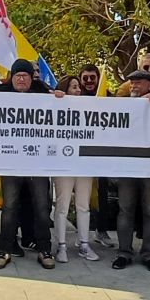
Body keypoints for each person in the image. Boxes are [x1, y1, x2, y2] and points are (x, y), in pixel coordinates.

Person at [0, 59, 61, 270]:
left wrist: (61, 99)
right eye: (17, 75)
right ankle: (4, 250)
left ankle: (44, 250)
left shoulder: (43, 92)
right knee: (10, 207)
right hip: (10, 162)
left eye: (25, 75)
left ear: (32, 79)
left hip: (38, 163)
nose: (21, 79)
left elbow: (63, 105)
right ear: (11, 78)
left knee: (41, 207)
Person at [111, 70, 150, 272]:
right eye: (131, 83)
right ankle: (124, 252)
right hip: (128, 167)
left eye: (138, 83)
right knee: (126, 210)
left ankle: (149, 253)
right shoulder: (122, 106)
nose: (134, 86)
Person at [52, 76, 99, 263]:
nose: (78, 90)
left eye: (79, 87)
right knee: (62, 206)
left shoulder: (90, 106)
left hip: (85, 163)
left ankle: (84, 244)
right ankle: (61, 245)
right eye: (73, 87)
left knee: (83, 206)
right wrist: (55, 98)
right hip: (63, 163)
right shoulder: (55, 104)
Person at [79, 64, 115, 249]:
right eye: (85, 78)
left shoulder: (109, 97)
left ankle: (101, 230)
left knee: (102, 194)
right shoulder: (74, 97)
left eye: (93, 77)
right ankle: (82, 234)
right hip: (80, 155)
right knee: (82, 198)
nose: (89, 82)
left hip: (102, 154)